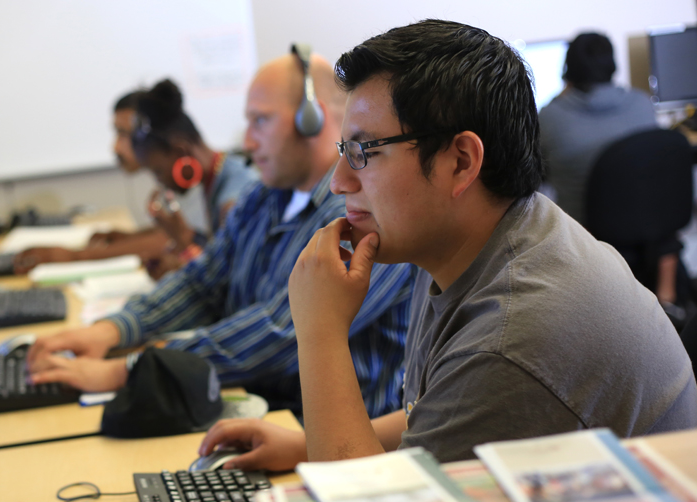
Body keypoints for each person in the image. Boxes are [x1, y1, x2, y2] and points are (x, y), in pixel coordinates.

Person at [197, 20, 697, 471]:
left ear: (460, 162)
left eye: (362, 152)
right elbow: (434, 414)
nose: (338, 181)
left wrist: (320, 331)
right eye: (341, 150)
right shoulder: (479, 238)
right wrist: (308, 444)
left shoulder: (513, 337)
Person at [23, 49, 416, 417]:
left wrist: (127, 369)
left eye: (260, 120)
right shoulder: (263, 197)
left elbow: (278, 333)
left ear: (309, 120)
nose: (246, 141)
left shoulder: (361, 217)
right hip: (258, 411)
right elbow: (201, 283)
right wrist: (113, 330)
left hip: (324, 440)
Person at [14, 81, 256, 277]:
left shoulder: (232, 201)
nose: (161, 183)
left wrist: (182, 247)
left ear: (182, 154)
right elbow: (207, 251)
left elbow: (228, 286)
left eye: (159, 172)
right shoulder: (214, 179)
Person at [539, 33, 657, 226]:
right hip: (645, 237)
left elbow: (533, 179)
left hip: (584, 244)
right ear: (612, 66)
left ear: (568, 71)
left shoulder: (549, 117)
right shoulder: (643, 104)